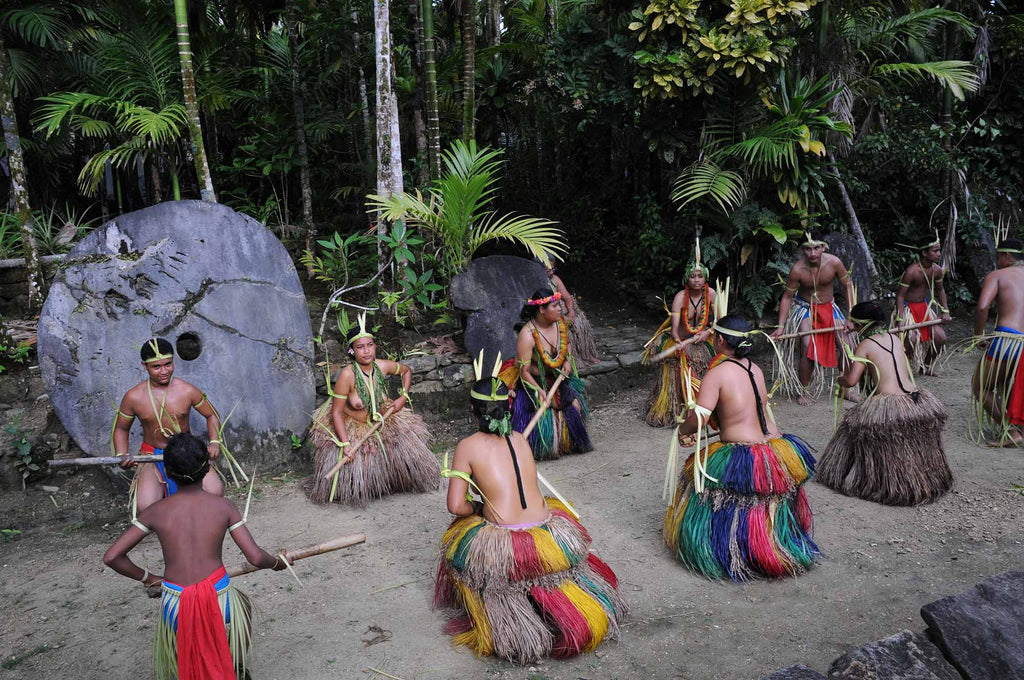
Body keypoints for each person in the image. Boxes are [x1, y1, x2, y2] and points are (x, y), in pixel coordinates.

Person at [433, 374, 624, 665]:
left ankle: (518, 625)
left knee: (459, 537)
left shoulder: (467, 446)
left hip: (508, 545)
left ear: (473, 411)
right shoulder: (520, 438)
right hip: (550, 534)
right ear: (507, 407)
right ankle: (564, 609)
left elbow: (456, 505)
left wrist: (476, 507)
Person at [103, 433, 287, 680]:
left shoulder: (155, 511)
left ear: (166, 471)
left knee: (185, 651)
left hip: (175, 603)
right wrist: (277, 563)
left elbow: (112, 556)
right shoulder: (223, 507)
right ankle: (235, 668)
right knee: (242, 606)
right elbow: (255, 557)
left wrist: (149, 577)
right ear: (208, 468)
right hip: (220, 597)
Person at [664, 315, 819, 580]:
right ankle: (769, 546)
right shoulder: (754, 368)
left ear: (720, 340)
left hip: (739, 450)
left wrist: (682, 430)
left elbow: (700, 417)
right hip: (767, 446)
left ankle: (732, 552)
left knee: (699, 480)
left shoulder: (718, 372)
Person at [817, 300, 952, 505]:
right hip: (916, 399)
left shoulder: (865, 345)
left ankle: (866, 479)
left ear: (860, 324)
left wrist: (840, 380)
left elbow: (852, 380)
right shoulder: (895, 338)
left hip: (890, 405)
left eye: (853, 322)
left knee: (852, 427)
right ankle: (921, 477)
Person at [306, 315, 440, 504]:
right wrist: (345, 444)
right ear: (352, 351)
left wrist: (403, 396)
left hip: (382, 417)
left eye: (370, 345)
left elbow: (406, 370)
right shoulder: (347, 375)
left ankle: (395, 480)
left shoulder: (382, 366)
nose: (366, 351)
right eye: (360, 347)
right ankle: (359, 486)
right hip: (353, 422)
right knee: (360, 458)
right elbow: (336, 412)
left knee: (400, 442)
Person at [114, 338, 224, 514]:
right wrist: (121, 453)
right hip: (152, 454)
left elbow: (211, 415)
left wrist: (214, 442)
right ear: (144, 366)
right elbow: (121, 428)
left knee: (215, 492)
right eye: (156, 367)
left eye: (168, 364)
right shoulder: (134, 396)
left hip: (186, 451)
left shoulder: (187, 390)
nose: (164, 371)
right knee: (147, 506)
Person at [498, 289, 592, 459]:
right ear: (541, 310)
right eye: (555, 305)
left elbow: (567, 346)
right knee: (539, 414)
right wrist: (540, 391)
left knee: (574, 406)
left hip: (556, 377)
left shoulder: (559, 324)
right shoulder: (527, 335)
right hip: (532, 379)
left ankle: (568, 440)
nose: (559, 309)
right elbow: (523, 370)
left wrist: (566, 361)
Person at [771, 230, 857, 405]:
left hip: (829, 308)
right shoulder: (798, 269)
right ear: (803, 250)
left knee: (848, 346)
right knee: (808, 347)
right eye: (808, 249)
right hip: (805, 309)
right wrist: (780, 326)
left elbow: (848, 285)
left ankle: (846, 390)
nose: (813, 253)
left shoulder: (834, 263)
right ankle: (803, 390)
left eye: (816, 248)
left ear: (823, 248)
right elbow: (787, 296)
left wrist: (850, 317)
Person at [642, 248, 716, 428]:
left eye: (700, 276)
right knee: (680, 363)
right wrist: (677, 341)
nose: (696, 280)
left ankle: (703, 409)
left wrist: (708, 332)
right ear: (686, 279)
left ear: (705, 278)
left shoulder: (712, 295)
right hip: (680, 340)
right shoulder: (680, 298)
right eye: (692, 276)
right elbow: (674, 329)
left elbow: (719, 322)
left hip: (702, 339)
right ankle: (675, 410)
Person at [972, 237, 1024, 447]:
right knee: (1008, 385)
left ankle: (1011, 430)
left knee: (980, 387)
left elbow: (982, 307)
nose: (997, 261)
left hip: (1007, 339)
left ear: (1007, 256)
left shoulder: (998, 275)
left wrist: (978, 335)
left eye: (998, 256)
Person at [894, 233, 951, 375]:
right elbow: (900, 295)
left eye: (939, 250)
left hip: (924, 308)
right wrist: (900, 319)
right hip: (908, 309)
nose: (939, 254)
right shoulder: (911, 271)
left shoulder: (936, 270)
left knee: (940, 337)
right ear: (924, 253)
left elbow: (940, 290)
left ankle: (926, 366)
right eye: (935, 251)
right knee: (911, 338)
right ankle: (904, 367)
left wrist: (945, 311)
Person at [543, 258, 600, 364]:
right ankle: (571, 359)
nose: (551, 272)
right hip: (549, 312)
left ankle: (586, 353)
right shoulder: (533, 280)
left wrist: (570, 311)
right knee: (563, 327)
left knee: (579, 322)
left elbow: (567, 297)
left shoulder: (555, 279)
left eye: (553, 269)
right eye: (548, 270)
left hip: (561, 308)